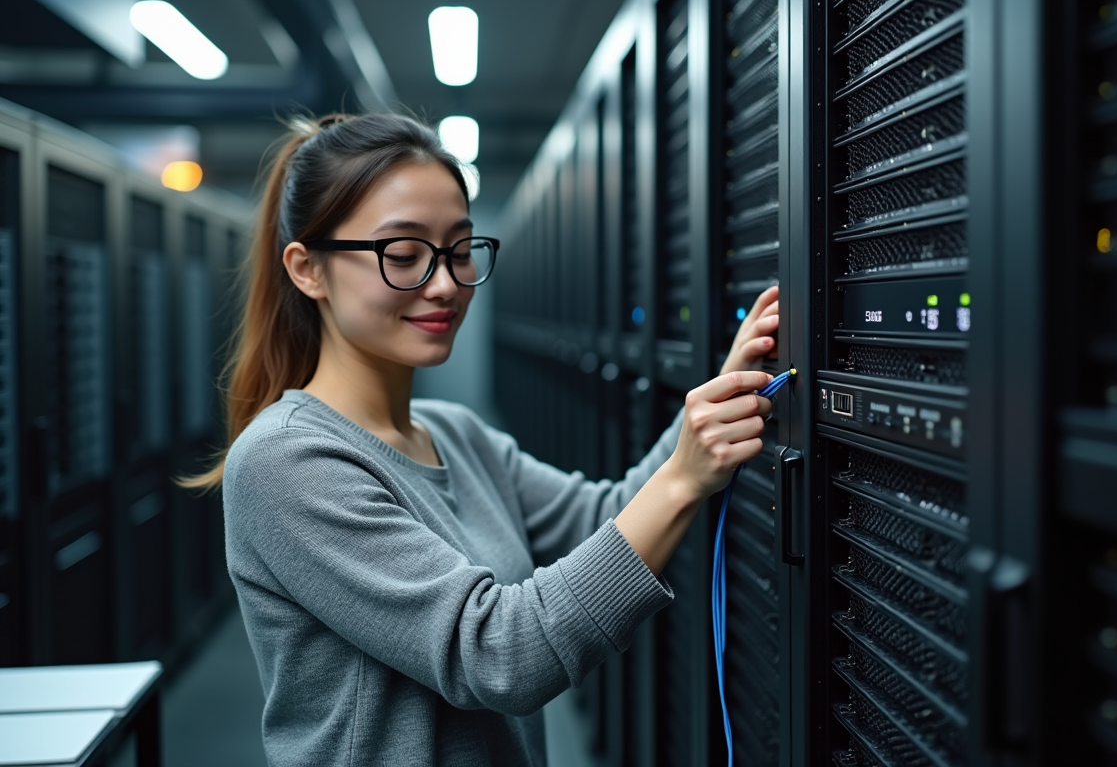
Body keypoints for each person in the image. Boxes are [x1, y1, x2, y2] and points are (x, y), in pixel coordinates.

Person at [186, 112, 782, 766]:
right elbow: (499, 655)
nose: (445, 284)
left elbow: (605, 516)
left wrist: (719, 395)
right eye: (403, 254)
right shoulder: (287, 460)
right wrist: (681, 478)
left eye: (460, 249)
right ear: (308, 270)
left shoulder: (455, 433)